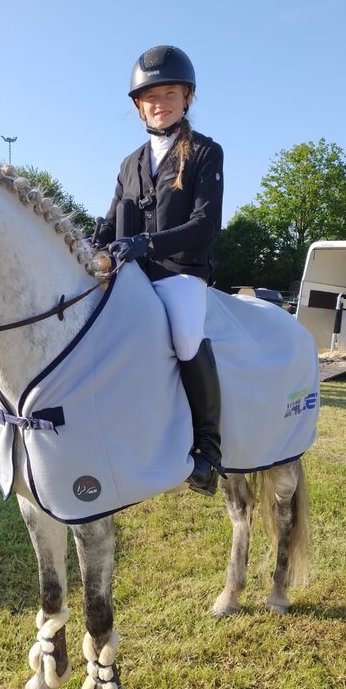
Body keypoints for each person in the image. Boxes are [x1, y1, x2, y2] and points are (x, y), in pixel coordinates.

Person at [94, 45, 224, 495]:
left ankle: (208, 449)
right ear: (138, 106)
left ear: (186, 98)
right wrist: (91, 243)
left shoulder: (205, 152)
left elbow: (206, 224)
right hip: (134, 273)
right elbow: (112, 219)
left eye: (170, 92)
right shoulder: (130, 163)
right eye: (151, 96)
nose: (160, 102)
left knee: (186, 334)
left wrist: (147, 242)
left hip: (181, 272)